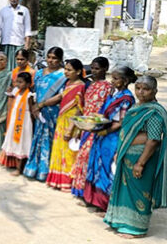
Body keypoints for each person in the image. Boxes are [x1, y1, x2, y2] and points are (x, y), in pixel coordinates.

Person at [103, 76, 167, 238]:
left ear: (154, 91)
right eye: (138, 88)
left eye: (145, 89)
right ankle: (121, 221)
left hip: (142, 159)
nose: (140, 92)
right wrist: (120, 152)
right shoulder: (137, 107)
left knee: (140, 192)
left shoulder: (154, 113)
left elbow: (153, 140)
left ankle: (137, 228)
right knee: (125, 190)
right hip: (127, 156)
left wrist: (140, 163)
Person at [84, 66, 136, 211]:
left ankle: (104, 203)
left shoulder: (127, 98)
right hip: (101, 133)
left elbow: (121, 122)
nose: (111, 81)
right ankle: (92, 198)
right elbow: (103, 113)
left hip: (112, 137)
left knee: (107, 168)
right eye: (111, 77)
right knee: (96, 165)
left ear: (125, 81)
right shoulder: (114, 93)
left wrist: (105, 132)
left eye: (115, 78)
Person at [70, 57, 114, 198]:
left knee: (90, 158)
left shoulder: (108, 88)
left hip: (98, 127)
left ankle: (90, 193)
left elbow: (109, 109)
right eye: (93, 68)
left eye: (97, 68)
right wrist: (77, 128)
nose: (94, 71)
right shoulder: (87, 86)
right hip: (85, 127)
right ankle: (80, 190)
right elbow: (81, 108)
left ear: (105, 69)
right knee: (82, 157)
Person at [24, 47, 66, 181]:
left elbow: (61, 95)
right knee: (37, 137)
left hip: (52, 111)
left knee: (49, 138)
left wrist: (42, 105)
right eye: (49, 57)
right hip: (37, 111)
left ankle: (45, 170)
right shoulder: (39, 73)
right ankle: (32, 167)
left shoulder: (63, 75)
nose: (51, 60)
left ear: (60, 60)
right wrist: (33, 107)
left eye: (54, 58)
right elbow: (33, 90)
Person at [46, 59, 86, 191]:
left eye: (69, 70)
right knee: (59, 149)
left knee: (69, 152)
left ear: (78, 72)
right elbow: (59, 97)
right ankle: (57, 180)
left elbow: (80, 109)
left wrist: (70, 129)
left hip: (71, 122)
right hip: (62, 119)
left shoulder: (80, 87)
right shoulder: (68, 83)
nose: (66, 72)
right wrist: (41, 104)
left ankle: (67, 181)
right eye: (66, 69)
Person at [0, 72, 35, 175]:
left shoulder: (29, 95)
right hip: (15, 119)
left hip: (25, 121)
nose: (18, 84)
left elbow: (31, 109)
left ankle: (20, 168)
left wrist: (31, 122)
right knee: (14, 141)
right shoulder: (16, 92)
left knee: (22, 142)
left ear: (28, 84)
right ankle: (13, 164)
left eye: (21, 82)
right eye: (17, 81)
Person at [0, 0, 32, 71]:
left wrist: (27, 44)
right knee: (5, 66)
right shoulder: (3, 11)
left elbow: (27, 28)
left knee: (19, 66)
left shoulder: (24, 10)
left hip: (19, 43)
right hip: (6, 43)